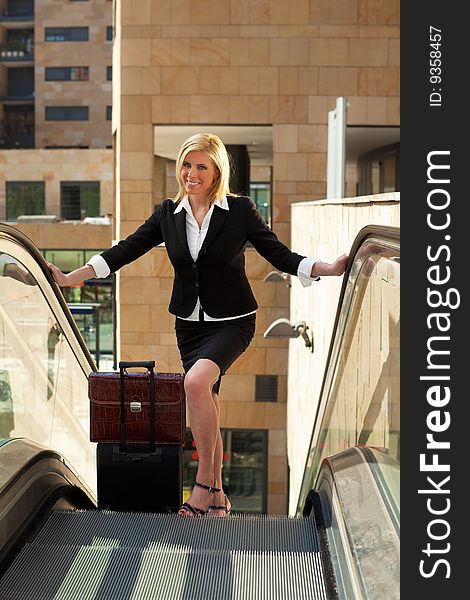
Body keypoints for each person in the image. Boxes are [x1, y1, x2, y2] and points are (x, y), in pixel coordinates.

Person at [47, 132, 348, 518]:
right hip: (189, 326)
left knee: (194, 384)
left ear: (216, 170)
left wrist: (327, 268)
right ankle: (219, 498)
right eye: (186, 165)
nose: (191, 173)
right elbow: (125, 250)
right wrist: (73, 277)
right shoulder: (168, 215)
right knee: (208, 402)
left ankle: (203, 487)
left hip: (233, 322)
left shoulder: (239, 211)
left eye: (200, 166)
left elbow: (277, 252)